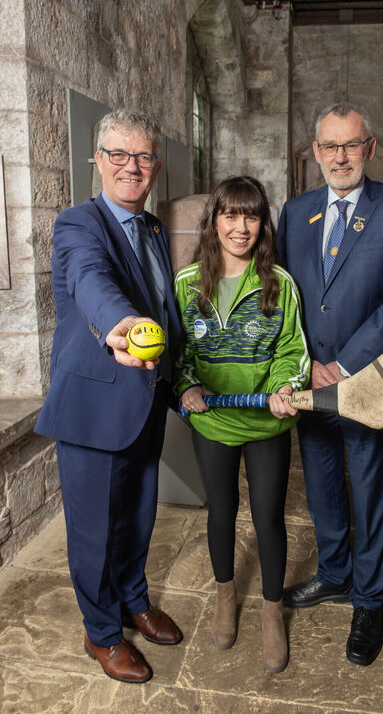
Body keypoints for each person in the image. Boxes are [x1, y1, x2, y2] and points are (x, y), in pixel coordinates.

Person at [35, 109, 183, 683]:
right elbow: (90, 278)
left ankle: (133, 600)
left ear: (156, 166)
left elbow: (165, 305)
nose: (131, 166)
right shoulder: (78, 223)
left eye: (143, 156)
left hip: (145, 398)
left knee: (138, 515)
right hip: (94, 406)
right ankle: (101, 632)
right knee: (95, 529)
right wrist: (122, 324)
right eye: (118, 154)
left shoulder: (154, 230)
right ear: (97, 160)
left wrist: (179, 374)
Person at [278, 101, 383, 666]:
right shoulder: (296, 211)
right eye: (330, 146)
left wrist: (342, 365)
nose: (341, 156)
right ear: (316, 152)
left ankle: (368, 598)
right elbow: (284, 294)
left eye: (352, 144)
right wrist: (303, 362)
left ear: (370, 148)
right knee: (321, 487)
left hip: (366, 381)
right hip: (309, 379)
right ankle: (335, 573)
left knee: (370, 488)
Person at [174, 176, 309, 673]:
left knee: (268, 517)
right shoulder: (188, 284)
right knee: (222, 513)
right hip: (213, 424)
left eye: (251, 216)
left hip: (265, 425)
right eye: (230, 214)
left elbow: (292, 349)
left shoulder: (280, 283)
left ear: (262, 224)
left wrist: (282, 388)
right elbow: (178, 353)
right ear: (214, 221)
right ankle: (225, 595)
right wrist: (187, 387)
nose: (240, 226)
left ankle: (272, 611)